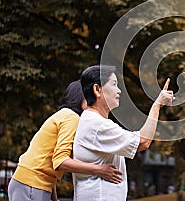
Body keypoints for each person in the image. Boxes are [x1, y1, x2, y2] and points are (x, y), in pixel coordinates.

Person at [8, 80, 123, 201]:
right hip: (31, 184)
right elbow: (60, 161)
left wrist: (54, 198)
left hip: (33, 183)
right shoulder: (71, 117)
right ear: (80, 97)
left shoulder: (66, 116)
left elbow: (46, 160)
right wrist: (99, 170)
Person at [73, 65, 174, 201]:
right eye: (114, 84)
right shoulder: (97, 124)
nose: (119, 90)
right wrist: (157, 106)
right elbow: (143, 142)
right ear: (97, 90)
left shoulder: (94, 121)